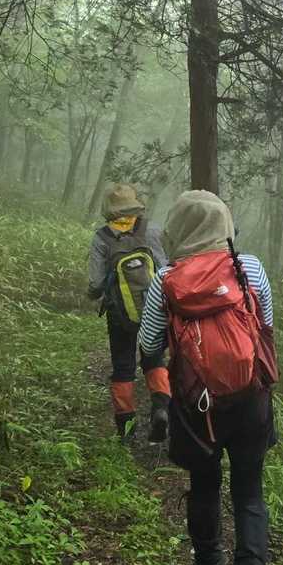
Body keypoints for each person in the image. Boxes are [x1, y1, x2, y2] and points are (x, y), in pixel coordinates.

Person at [137, 189, 277, 565]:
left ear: (178, 229)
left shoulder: (167, 279)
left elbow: (148, 343)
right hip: (250, 398)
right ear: (224, 224)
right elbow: (266, 327)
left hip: (197, 405)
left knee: (204, 485)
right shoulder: (248, 267)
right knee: (249, 493)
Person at [87, 183, 169, 441]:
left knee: (123, 366)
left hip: (120, 314)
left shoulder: (102, 237)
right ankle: (161, 408)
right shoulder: (151, 230)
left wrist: (93, 294)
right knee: (154, 358)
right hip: (155, 309)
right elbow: (167, 268)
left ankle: (127, 428)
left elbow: (96, 283)